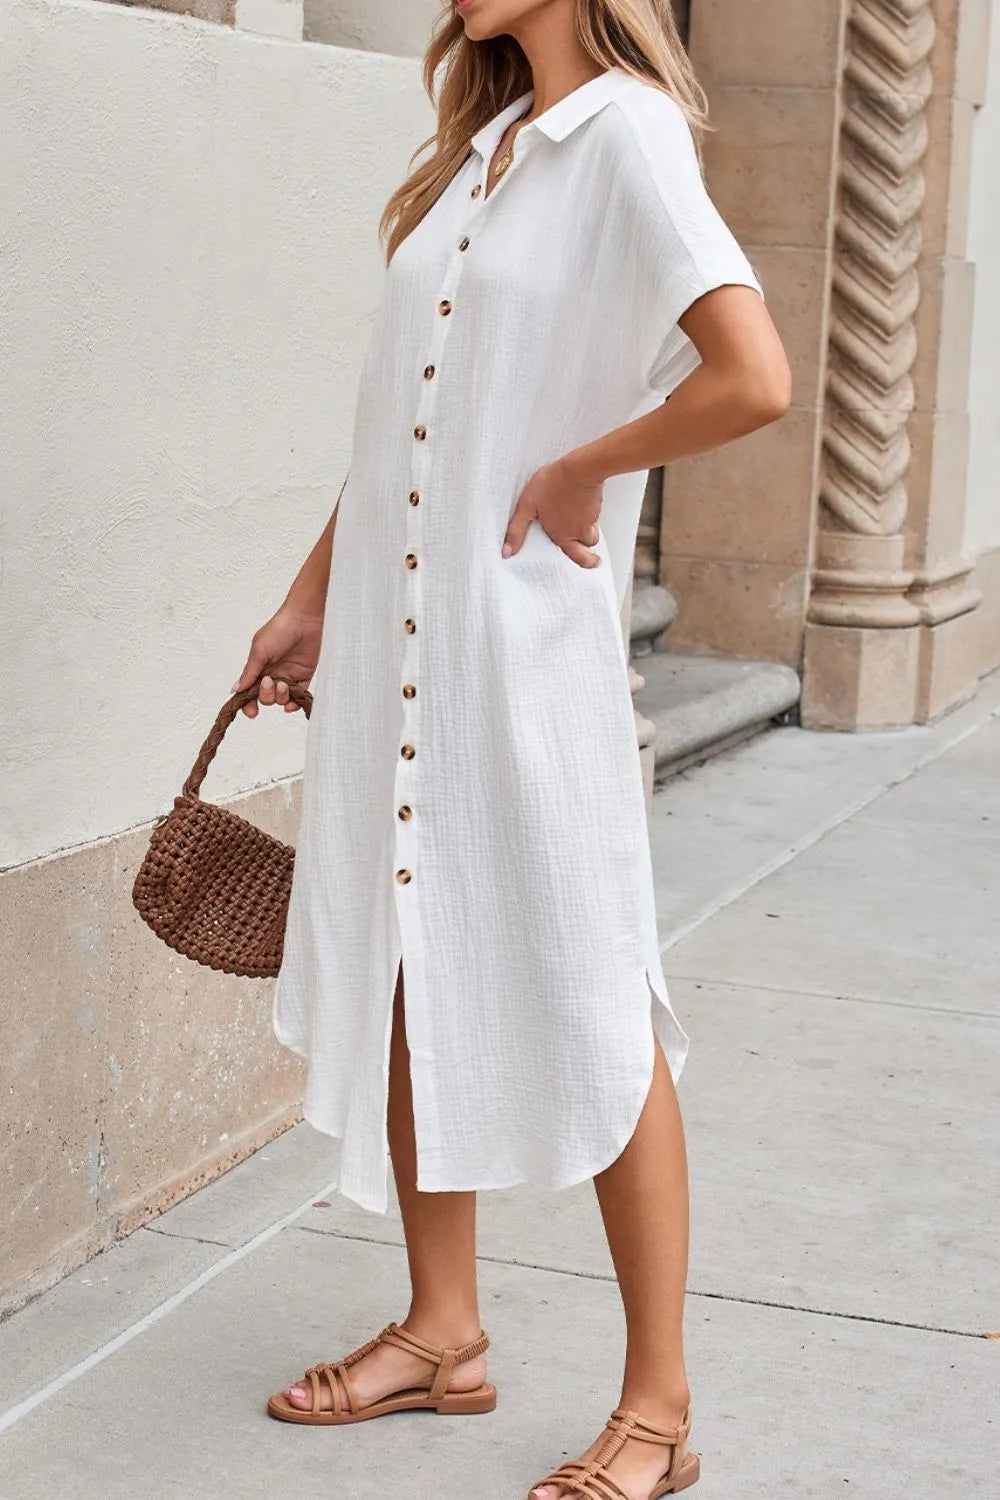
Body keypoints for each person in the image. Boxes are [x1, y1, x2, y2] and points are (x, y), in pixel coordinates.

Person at [232, 2, 790, 1495]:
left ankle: (659, 1410)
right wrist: (308, 603)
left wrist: (583, 465)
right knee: (415, 956)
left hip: (524, 653)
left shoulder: (626, 137)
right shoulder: (484, 151)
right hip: (403, 657)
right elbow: (408, 434)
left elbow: (754, 376)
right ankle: (442, 1329)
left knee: (601, 996)